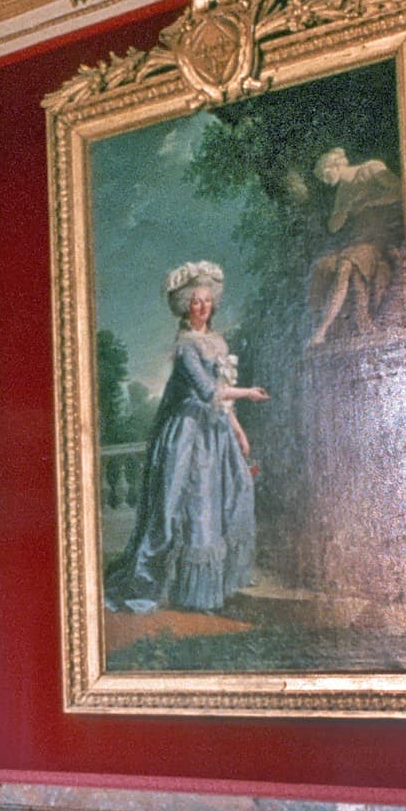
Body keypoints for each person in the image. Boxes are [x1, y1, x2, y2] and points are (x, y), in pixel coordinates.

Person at [104, 261, 269, 614]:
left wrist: (238, 430)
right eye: (195, 301)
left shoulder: (218, 342)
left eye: (207, 301)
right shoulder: (185, 346)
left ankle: (218, 587)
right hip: (187, 433)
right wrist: (249, 393)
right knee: (191, 507)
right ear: (185, 306)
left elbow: (222, 396)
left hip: (216, 432)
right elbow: (210, 390)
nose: (202, 307)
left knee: (230, 495)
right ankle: (186, 594)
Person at [307, 147, 404, 345]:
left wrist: (370, 202)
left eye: (325, 175)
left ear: (335, 166)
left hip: (381, 236)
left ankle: (322, 330)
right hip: (359, 239)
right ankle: (325, 329)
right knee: (321, 267)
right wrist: (343, 212)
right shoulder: (343, 191)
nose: (325, 181)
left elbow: (400, 190)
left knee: (346, 265)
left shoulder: (371, 169)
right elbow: (333, 227)